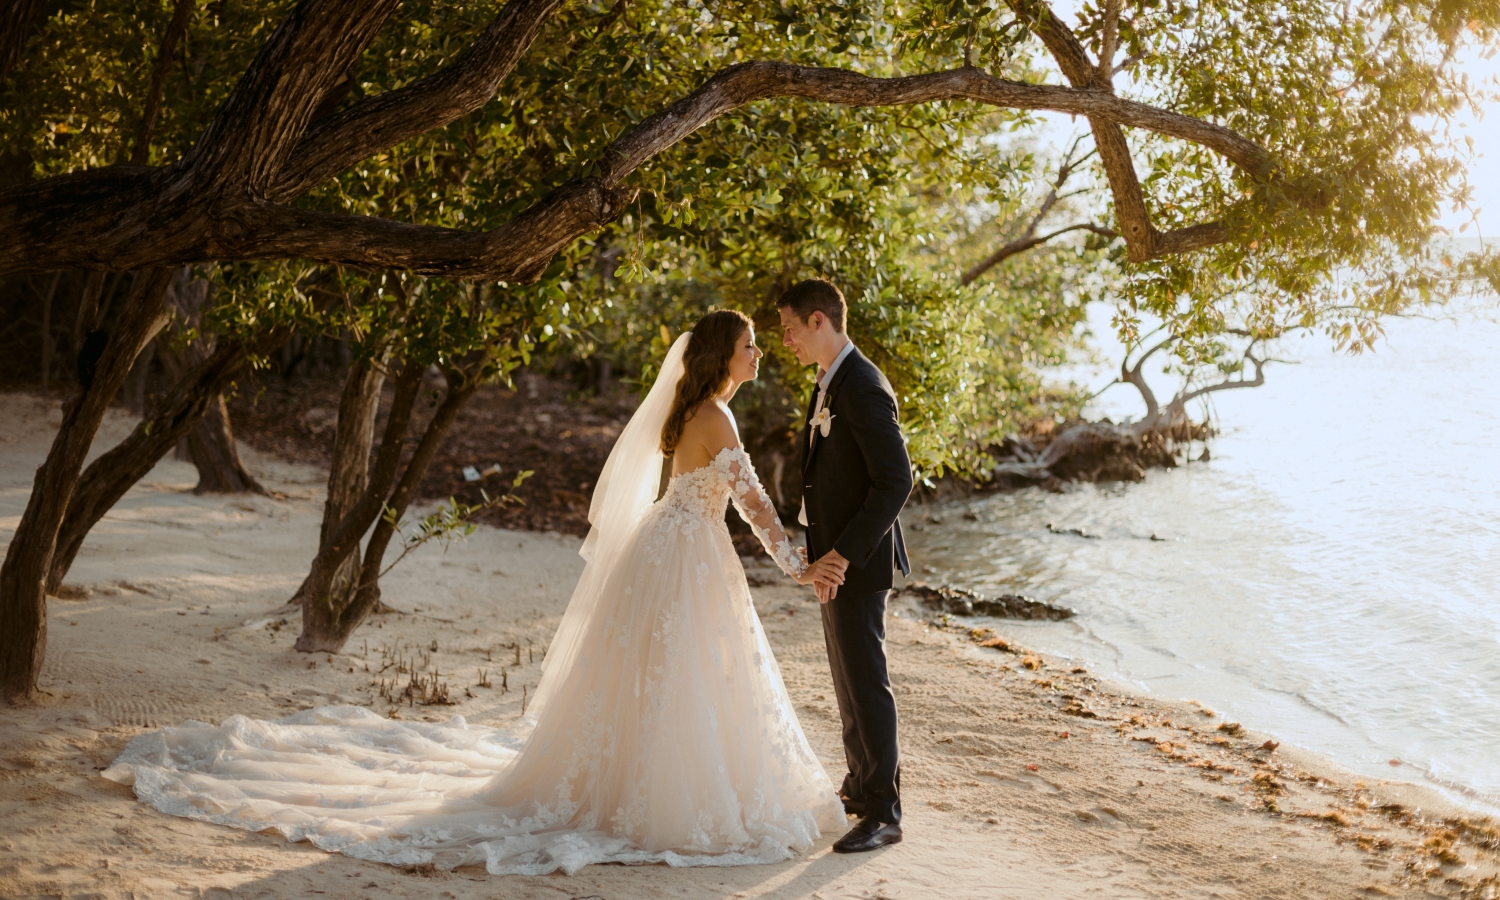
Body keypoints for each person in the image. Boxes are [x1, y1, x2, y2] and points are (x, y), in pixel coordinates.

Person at [102, 309, 844, 875]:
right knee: (687, 674)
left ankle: (634, 781)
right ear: (724, 354)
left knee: (667, 675)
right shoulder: (716, 416)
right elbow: (754, 508)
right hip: (688, 554)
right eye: (750, 343)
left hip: (673, 548)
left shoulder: (697, 411)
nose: (757, 352)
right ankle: (658, 795)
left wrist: (791, 558)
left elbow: (725, 501)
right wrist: (799, 567)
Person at [779, 279, 913, 854]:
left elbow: (896, 480)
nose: (785, 341)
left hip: (856, 558)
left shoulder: (861, 384)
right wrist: (818, 548)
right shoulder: (831, 379)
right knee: (846, 678)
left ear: (817, 320)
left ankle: (884, 812)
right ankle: (859, 787)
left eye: (788, 329)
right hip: (833, 557)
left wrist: (842, 553)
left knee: (867, 680)